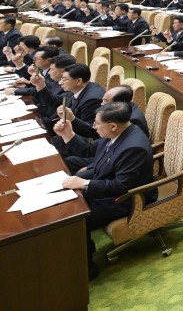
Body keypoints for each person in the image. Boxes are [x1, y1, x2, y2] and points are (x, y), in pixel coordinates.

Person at [54, 102, 155, 280]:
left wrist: (85, 183)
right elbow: (91, 149)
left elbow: (120, 186)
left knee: (77, 218)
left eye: (96, 124)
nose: (94, 128)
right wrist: (67, 134)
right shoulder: (119, 133)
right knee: (66, 202)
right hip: (108, 187)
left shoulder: (133, 147)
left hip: (128, 199)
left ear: (113, 126)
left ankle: (87, 269)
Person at [54, 63, 105, 139]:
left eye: (64, 79)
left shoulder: (92, 100)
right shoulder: (76, 88)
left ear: (78, 81)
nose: (60, 82)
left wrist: (72, 119)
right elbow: (56, 100)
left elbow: (90, 131)